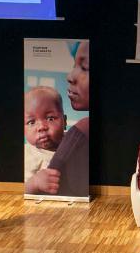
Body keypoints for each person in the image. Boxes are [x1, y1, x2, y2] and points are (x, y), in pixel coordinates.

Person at [43, 41, 90, 197]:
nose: (70, 77)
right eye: (74, 65)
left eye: (85, 67)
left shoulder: (82, 129)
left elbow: (50, 183)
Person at [24, 86, 66, 194]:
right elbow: (20, 189)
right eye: (31, 122)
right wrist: (34, 183)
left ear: (64, 122)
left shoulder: (73, 141)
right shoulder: (27, 154)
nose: (41, 127)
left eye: (50, 118)